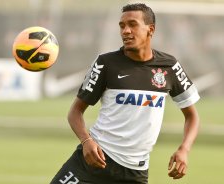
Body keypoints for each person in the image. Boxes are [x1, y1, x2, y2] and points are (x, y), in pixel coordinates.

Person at [51, 3, 200, 184]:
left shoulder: (169, 66)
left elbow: (192, 116)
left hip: (135, 173)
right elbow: (75, 112)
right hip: (93, 161)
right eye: (122, 26)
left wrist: (184, 149)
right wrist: (86, 141)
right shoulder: (105, 63)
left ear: (150, 29)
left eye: (132, 24)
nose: (126, 31)